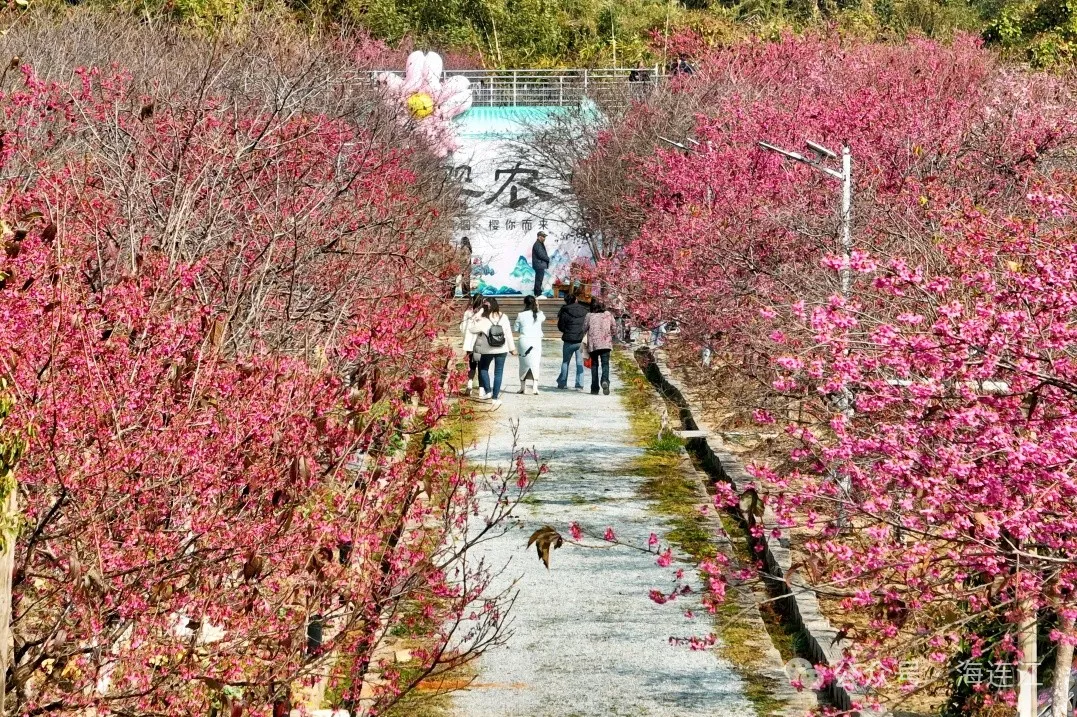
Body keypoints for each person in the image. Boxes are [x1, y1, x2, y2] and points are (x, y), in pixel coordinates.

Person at [468, 297, 516, 408]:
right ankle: (495, 398)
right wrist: (512, 348)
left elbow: (471, 329)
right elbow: (508, 334)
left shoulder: (484, 319)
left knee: (483, 369)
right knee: (498, 373)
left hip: (487, 349)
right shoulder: (504, 317)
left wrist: (478, 314)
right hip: (502, 348)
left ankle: (488, 391)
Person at [556, 293, 589, 390]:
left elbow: (560, 326)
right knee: (579, 362)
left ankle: (562, 383)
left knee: (565, 362)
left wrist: (566, 331)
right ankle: (579, 384)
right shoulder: (584, 310)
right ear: (576, 300)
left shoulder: (564, 311)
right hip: (580, 339)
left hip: (568, 340)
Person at [514, 295, 545, 395]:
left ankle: (523, 387)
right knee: (535, 363)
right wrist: (538, 307)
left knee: (523, 364)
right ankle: (535, 387)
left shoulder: (521, 315)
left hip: (524, 341)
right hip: (536, 341)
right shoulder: (539, 314)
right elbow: (543, 318)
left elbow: (516, 328)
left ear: (525, 303)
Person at [584, 300, 615, 395]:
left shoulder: (589, 315)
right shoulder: (608, 314)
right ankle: (605, 380)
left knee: (594, 365)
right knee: (605, 364)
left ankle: (594, 388)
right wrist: (610, 334)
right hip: (606, 343)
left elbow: (584, 328)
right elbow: (614, 327)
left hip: (594, 344)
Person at [459, 293, 485, 397]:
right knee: (482, 366)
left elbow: (462, 328)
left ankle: (469, 385)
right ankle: (481, 389)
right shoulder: (484, 313)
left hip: (470, 342)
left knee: (472, 365)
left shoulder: (467, 313)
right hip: (481, 342)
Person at [531, 231, 550, 297]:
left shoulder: (539, 244)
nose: (544, 238)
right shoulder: (538, 244)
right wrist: (548, 259)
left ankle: (537, 293)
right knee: (539, 279)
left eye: (545, 237)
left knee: (538, 279)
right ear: (539, 237)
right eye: (543, 237)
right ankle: (538, 293)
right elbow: (541, 255)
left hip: (539, 264)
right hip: (539, 265)